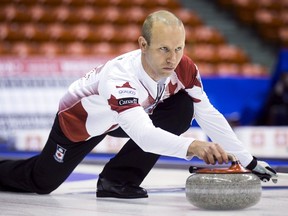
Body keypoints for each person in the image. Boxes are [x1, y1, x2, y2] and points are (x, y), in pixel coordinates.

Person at [0, 10, 277, 198]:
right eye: (164, 49)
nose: (173, 58)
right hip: (81, 122)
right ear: (143, 44)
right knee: (43, 181)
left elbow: (209, 115)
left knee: (184, 106)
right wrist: (193, 146)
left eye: (179, 48)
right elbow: (143, 135)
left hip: (132, 115)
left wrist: (249, 161)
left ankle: (116, 181)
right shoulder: (120, 76)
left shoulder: (184, 68)